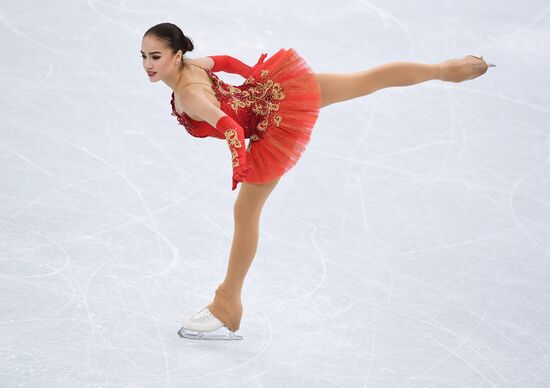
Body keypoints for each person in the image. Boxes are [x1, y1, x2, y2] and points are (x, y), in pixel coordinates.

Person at [140, 22, 495, 340]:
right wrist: (256, 83)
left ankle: (227, 304)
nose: (148, 65)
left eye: (156, 56)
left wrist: (240, 165)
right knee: (366, 80)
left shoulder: (189, 95)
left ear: (177, 54)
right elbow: (227, 63)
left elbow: (232, 128)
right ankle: (448, 69)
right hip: (278, 94)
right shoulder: (194, 66)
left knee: (245, 213)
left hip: (274, 126)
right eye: (143, 56)